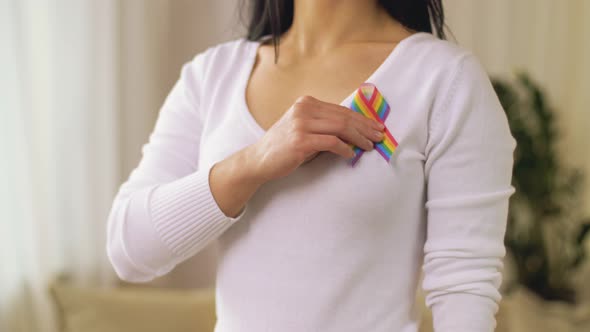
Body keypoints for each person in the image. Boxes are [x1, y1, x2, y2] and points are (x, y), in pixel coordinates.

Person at [106, 0, 516, 331]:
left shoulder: (445, 81)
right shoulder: (211, 76)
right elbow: (130, 250)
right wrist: (254, 161)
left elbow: (464, 292)